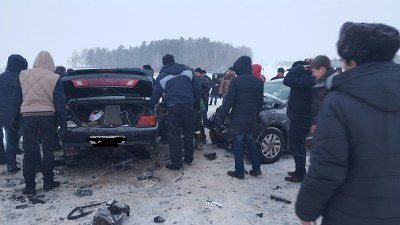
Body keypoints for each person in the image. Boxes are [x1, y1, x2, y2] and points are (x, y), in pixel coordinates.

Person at [296, 22, 400, 225]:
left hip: (349, 214)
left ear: (353, 61)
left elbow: (326, 168)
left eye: (344, 61)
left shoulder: (339, 102)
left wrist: (305, 211)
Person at [13, 51, 67, 196]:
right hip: (47, 116)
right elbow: (59, 102)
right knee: (48, 150)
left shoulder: (23, 75)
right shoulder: (55, 77)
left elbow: (17, 99)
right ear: (51, 63)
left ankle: (30, 186)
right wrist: (63, 122)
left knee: (29, 152)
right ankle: (48, 181)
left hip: (28, 117)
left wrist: (14, 118)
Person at [215, 56, 263, 179]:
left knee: (238, 144)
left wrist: (220, 118)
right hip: (251, 119)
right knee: (251, 143)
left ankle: (239, 171)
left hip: (238, 119)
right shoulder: (258, 81)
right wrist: (255, 116)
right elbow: (260, 102)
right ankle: (256, 168)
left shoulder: (236, 81)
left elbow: (228, 102)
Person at [150, 54, 201, 170]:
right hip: (189, 105)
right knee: (188, 133)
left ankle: (177, 163)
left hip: (173, 107)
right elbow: (196, 87)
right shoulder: (188, 70)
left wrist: (150, 105)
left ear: (164, 64)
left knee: (174, 135)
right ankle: (189, 159)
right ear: (174, 60)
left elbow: (156, 93)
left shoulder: (162, 77)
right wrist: (196, 103)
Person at [283, 59, 315, 183]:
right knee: (297, 145)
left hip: (302, 118)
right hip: (298, 116)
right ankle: (299, 171)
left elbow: (287, 80)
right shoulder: (304, 79)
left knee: (298, 146)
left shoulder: (308, 79)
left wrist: (300, 67)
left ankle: (300, 174)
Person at [0, 54, 28, 172]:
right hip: (14, 113)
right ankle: (11, 165)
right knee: (12, 137)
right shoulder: (20, 78)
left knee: (1, 138)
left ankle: (2, 159)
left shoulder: (1, 77)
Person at [309, 55, 337, 134]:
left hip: (331, 130)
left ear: (322, 69)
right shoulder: (320, 83)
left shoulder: (333, 83)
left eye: (314, 71)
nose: (312, 75)